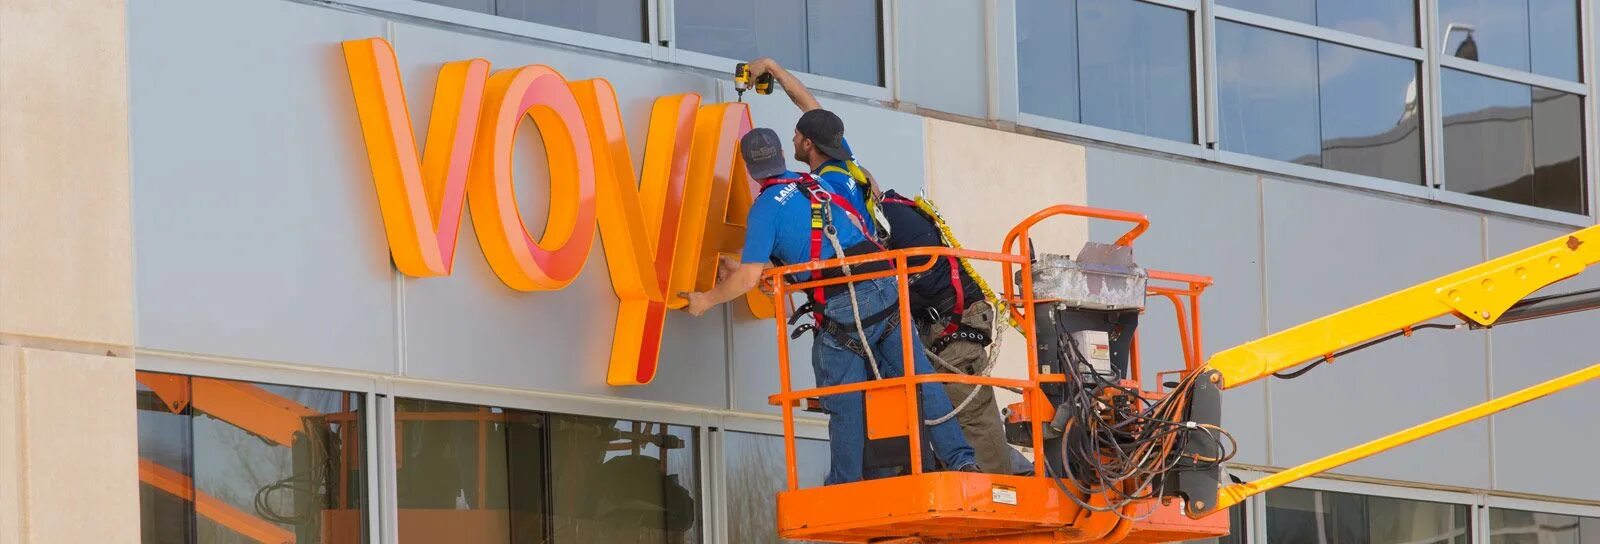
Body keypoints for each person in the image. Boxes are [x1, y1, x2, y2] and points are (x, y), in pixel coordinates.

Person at [682, 128, 978, 484]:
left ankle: (846, 484)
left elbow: (747, 280)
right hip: (885, 285)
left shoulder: (764, 210)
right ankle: (962, 461)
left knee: (844, 400)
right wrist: (762, 274)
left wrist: (705, 300)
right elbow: (821, 248)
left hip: (847, 304)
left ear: (749, 168)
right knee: (920, 380)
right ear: (781, 154)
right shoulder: (818, 184)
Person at [873, 187, 1023, 475]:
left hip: (955, 322)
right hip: (943, 322)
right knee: (945, 411)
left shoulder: (889, 221)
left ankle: (996, 489)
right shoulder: (895, 216)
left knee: (970, 412)